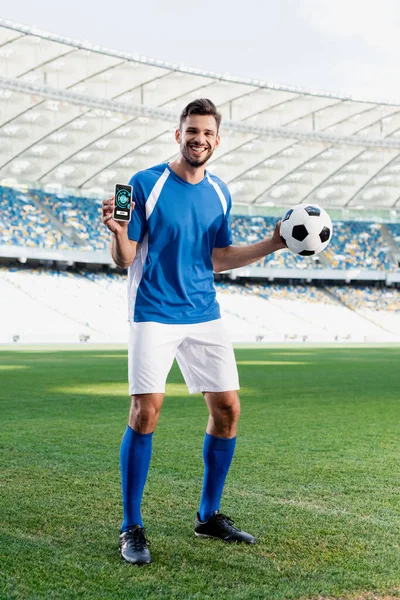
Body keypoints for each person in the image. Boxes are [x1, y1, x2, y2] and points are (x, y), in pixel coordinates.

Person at [102, 98, 285, 566]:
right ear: (177, 134)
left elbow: (217, 257)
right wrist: (118, 232)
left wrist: (274, 242)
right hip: (154, 311)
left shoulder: (221, 191)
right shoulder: (144, 184)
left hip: (204, 312)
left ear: (217, 140)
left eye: (206, 132)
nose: (198, 139)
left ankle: (207, 516)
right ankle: (131, 527)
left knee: (228, 409)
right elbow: (124, 258)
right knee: (146, 411)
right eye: (191, 131)